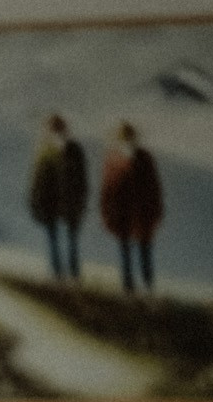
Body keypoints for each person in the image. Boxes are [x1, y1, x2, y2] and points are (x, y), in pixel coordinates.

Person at [100, 122, 164, 294]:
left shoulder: (144, 157)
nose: (126, 141)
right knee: (125, 251)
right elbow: (107, 188)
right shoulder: (113, 159)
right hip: (122, 214)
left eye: (128, 137)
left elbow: (154, 187)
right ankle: (128, 289)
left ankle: (148, 288)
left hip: (143, 214)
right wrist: (106, 212)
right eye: (123, 138)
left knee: (144, 252)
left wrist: (155, 211)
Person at [28, 115, 88, 281]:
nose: (55, 132)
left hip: (70, 203)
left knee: (70, 240)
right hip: (50, 202)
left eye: (57, 128)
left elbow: (82, 179)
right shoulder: (44, 149)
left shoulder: (73, 149)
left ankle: (73, 274)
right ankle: (57, 274)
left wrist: (80, 201)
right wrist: (35, 200)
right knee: (54, 239)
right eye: (53, 129)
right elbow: (37, 178)